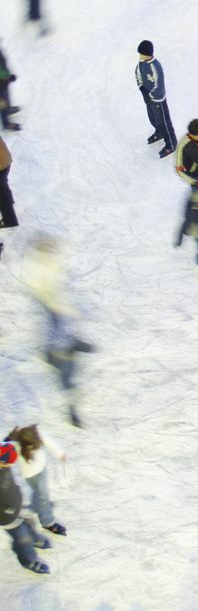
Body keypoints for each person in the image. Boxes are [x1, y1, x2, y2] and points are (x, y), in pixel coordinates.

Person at [20, 236, 95, 427]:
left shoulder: (47, 269)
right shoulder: (40, 275)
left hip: (60, 335)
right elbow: (44, 292)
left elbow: (53, 289)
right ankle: (72, 409)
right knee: (66, 374)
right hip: (56, 345)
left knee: (66, 370)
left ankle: (71, 405)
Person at [4, 425, 67, 537]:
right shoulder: (17, 443)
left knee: (42, 493)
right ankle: (38, 508)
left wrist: (60, 453)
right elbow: (4, 449)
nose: (32, 449)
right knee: (38, 494)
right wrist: (9, 439)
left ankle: (47, 522)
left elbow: (50, 442)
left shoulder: (38, 433)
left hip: (41, 469)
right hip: (28, 474)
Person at [0, 443, 50, 574]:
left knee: (29, 525)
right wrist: (10, 510)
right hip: (8, 518)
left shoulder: (6, 468)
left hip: (19, 508)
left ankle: (34, 538)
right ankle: (29, 561)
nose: (10, 464)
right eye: (7, 462)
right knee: (22, 539)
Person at [135, 40, 177, 159]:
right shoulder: (141, 63)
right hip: (148, 98)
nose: (140, 56)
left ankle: (171, 143)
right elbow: (138, 75)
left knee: (164, 121)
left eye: (141, 53)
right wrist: (142, 89)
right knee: (152, 117)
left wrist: (151, 95)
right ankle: (159, 132)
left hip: (158, 100)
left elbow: (159, 85)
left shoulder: (155, 66)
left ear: (148, 54)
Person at [0, 41, 21, 131]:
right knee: (2, 103)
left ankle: (8, 109)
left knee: (6, 97)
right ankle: (6, 124)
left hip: (3, 82)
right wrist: (8, 76)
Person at [0, 135, 17, 245]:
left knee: (1, 193)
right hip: (5, 160)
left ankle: (10, 220)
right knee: (3, 189)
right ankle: (10, 220)